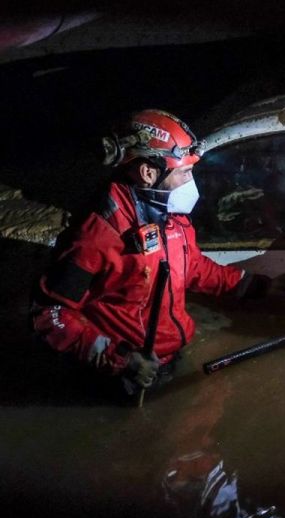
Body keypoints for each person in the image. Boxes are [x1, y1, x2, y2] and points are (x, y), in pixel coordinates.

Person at [32, 109, 270, 399]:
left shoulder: (170, 215)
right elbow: (50, 313)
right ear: (148, 173)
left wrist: (255, 285)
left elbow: (193, 268)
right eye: (185, 172)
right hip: (124, 378)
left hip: (168, 359)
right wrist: (121, 360)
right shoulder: (100, 234)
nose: (191, 182)